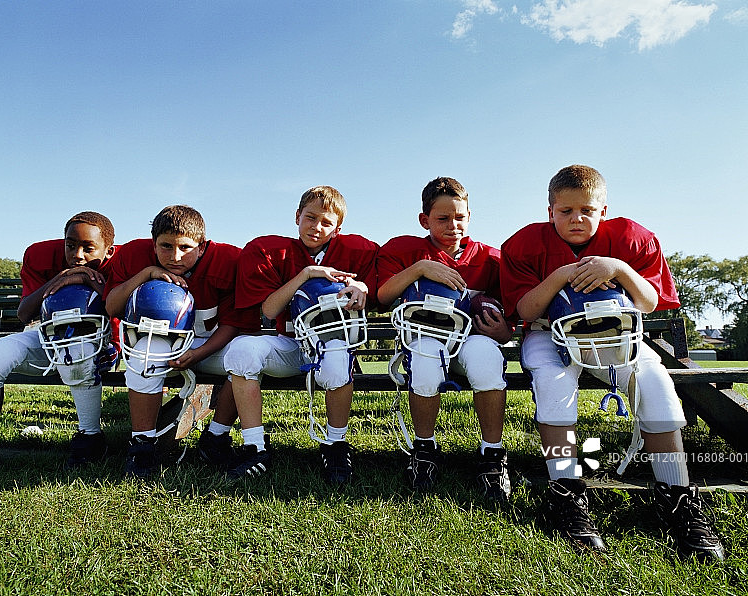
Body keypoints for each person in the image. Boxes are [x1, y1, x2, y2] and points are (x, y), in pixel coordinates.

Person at [500, 164, 724, 560]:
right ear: (549, 210)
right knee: (553, 384)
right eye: (565, 211)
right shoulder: (523, 243)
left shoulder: (631, 238)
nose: (576, 218)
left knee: (656, 385)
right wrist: (562, 276)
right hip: (546, 331)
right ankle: (565, 491)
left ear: (604, 210)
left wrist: (618, 268)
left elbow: (650, 302)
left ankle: (676, 496)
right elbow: (524, 308)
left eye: (587, 209)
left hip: (616, 335)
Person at [222, 185, 378, 484]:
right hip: (291, 346)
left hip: (333, 343)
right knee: (241, 350)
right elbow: (268, 310)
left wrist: (363, 287)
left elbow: (380, 289)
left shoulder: (358, 250)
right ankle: (256, 447)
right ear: (297, 216)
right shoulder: (273, 250)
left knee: (335, 360)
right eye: (310, 218)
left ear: (338, 228)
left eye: (326, 222)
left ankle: (335, 444)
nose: (316, 227)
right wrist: (305, 274)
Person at [0, 212, 118, 477]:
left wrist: (90, 280)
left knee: (79, 348)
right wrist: (62, 278)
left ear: (109, 251)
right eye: (70, 245)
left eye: (88, 248)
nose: (77, 254)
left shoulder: (124, 261)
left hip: (104, 339)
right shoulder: (41, 255)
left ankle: (91, 437)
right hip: (48, 334)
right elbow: (25, 314)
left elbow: (124, 310)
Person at [376, 177, 514, 500]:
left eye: (460, 217)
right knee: (424, 364)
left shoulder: (489, 259)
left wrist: (504, 332)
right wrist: (421, 268)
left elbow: (511, 316)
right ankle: (425, 450)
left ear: (469, 216)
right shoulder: (406, 251)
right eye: (443, 218)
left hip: (469, 338)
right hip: (424, 335)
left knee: (487, 360)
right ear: (424, 220)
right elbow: (382, 296)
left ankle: (492, 454)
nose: (453, 225)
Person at [103, 205, 258, 479]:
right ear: (153, 243)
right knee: (143, 355)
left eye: (185, 247)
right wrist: (145, 274)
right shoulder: (134, 255)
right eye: (165, 246)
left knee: (244, 357)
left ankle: (216, 437)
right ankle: (142, 445)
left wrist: (199, 353)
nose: (175, 257)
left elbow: (234, 324)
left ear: (202, 246)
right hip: (161, 339)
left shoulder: (228, 259)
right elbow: (112, 307)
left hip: (213, 344)